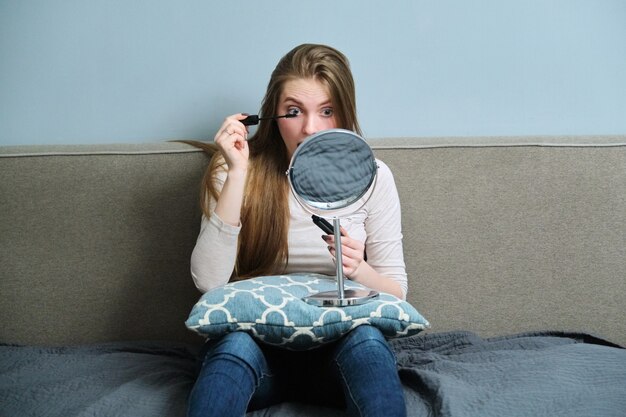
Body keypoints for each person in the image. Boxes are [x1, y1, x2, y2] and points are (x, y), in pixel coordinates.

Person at [187, 43, 408, 417]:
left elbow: (397, 295)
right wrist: (239, 172)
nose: (310, 127)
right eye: (293, 111)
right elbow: (208, 282)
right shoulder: (235, 171)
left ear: (344, 114)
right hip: (258, 356)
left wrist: (359, 269)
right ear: (272, 115)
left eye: (327, 111)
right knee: (234, 346)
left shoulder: (373, 178)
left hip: (339, 357)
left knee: (369, 340)